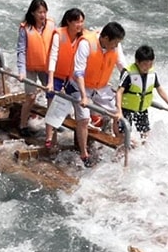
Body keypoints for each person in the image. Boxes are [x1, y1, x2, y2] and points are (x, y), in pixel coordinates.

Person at [44, 21, 125, 167]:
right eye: (114, 43)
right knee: (83, 118)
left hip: (100, 87)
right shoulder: (86, 44)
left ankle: (120, 146)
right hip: (78, 85)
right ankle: (84, 153)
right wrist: (83, 96)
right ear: (105, 38)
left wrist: (129, 81)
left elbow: (122, 66)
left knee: (118, 114)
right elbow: (78, 72)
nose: (116, 46)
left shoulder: (116, 45)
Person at [41, 8, 86, 152]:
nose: (80, 25)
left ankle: (78, 140)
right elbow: (53, 57)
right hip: (58, 76)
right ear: (69, 22)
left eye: (82, 21)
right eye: (77, 22)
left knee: (74, 106)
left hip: (72, 78)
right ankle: (49, 138)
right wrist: (50, 80)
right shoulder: (59, 35)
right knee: (52, 104)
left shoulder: (82, 38)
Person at [116, 44, 168, 141]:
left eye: (151, 64)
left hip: (142, 110)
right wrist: (119, 111)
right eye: (145, 64)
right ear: (137, 61)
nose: (148, 67)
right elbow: (119, 92)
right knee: (125, 138)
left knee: (146, 136)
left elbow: (160, 90)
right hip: (126, 109)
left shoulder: (152, 74)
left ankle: (141, 153)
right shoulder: (128, 73)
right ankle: (121, 155)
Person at [16, 0, 54, 137]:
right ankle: (23, 124)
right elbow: (21, 51)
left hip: (46, 67)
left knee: (52, 94)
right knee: (31, 97)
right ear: (33, 13)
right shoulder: (25, 29)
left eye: (44, 12)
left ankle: (51, 125)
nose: (43, 15)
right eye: (39, 12)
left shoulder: (51, 25)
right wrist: (21, 72)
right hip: (30, 67)